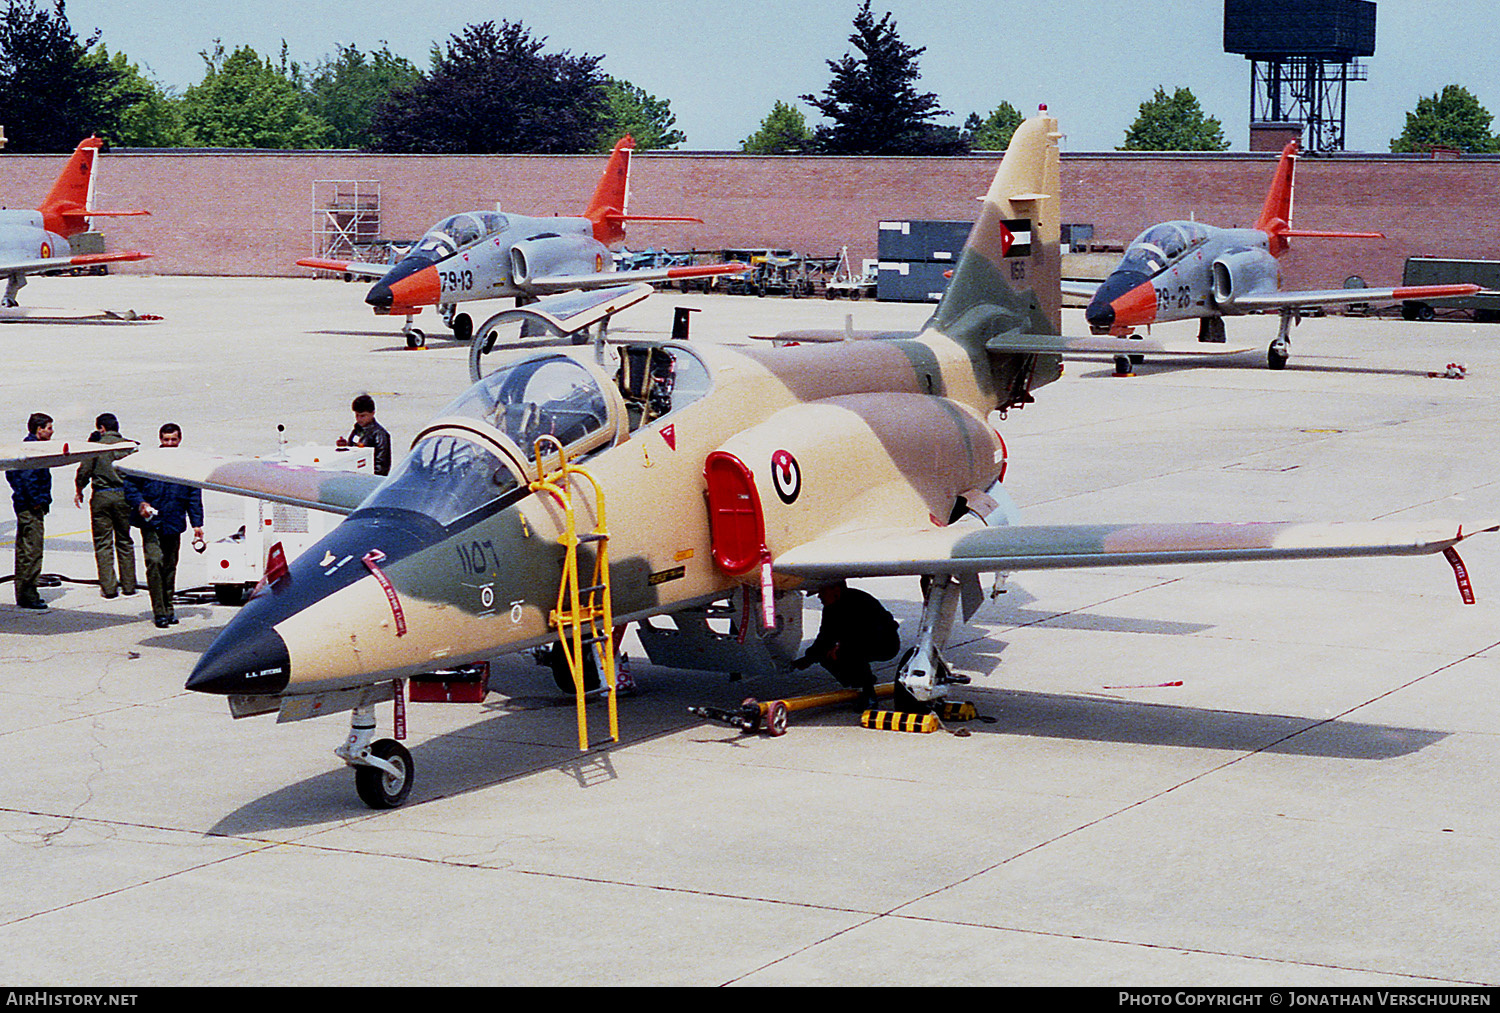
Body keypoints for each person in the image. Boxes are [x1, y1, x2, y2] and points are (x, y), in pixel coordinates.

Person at [124, 423, 204, 628]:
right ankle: (159, 611)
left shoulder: (187, 465)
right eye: (166, 440)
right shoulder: (147, 461)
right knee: (154, 561)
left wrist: (197, 524)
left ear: (180, 440)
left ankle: (169, 608)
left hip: (174, 520)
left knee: (169, 566)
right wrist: (141, 503)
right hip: (151, 521)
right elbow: (131, 486)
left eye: (173, 440)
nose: (169, 444)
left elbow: (194, 494)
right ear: (160, 439)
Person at [790, 580, 901, 711]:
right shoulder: (830, 608)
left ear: (836, 590)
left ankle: (869, 695)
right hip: (856, 644)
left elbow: (879, 629)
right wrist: (808, 658)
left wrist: (844, 645)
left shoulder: (860, 601)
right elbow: (825, 636)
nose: (819, 597)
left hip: (885, 643)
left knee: (850, 652)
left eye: (822, 592)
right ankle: (859, 682)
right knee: (825, 655)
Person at [74, 413, 138, 599]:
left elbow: (84, 470)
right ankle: (129, 585)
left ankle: (109, 588)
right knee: (125, 540)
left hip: (102, 495)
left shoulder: (95, 447)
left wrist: (79, 488)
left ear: (101, 428)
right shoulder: (129, 446)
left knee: (103, 543)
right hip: (124, 496)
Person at [7, 412, 54, 609]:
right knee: (32, 551)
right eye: (49, 428)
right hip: (30, 508)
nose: (52, 432)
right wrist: (35, 501)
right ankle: (28, 594)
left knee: (24, 550)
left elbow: (12, 473)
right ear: (39, 429)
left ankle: (24, 593)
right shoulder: (31, 450)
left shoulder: (26, 448)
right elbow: (26, 478)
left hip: (25, 505)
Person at [339, 393, 391, 476]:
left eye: (363, 416)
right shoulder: (356, 430)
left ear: (372, 413)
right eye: (357, 415)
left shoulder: (379, 434)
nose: (359, 419)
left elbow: (382, 464)